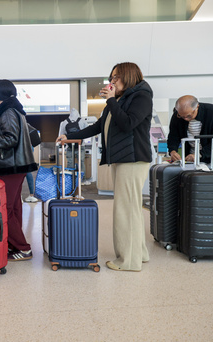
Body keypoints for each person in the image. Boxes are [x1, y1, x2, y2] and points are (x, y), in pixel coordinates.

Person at [56, 62, 153, 272]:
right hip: (125, 159)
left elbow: (127, 123)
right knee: (131, 208)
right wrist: (70, 136)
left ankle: (128, 261)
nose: (112, 82)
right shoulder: (120, 100)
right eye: (111, 77)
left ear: (129, 77)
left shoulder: (141, 97)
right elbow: (99, 126)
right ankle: (139, 253)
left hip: (133, 159)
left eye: (116, 77)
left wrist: (110, 101)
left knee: (125, 210)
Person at [0, 79, 38, 261]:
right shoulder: (14, 109)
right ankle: (13, 244)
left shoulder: (7, 111)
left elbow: (10, 139)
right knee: (14, 207)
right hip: (15, 165)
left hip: (9, 166)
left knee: (4, 208)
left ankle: (23, 248)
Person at [167, 95, 213, 170]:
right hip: (191, 158)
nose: (186, 119)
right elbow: (173, 136)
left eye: (189, 116)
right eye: (182, 116)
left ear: (197, 107)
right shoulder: (177, 115)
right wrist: (173, 151)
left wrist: (199, 154)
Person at [58, 108, 90, 185]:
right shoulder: (82, 121)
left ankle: (70, 180)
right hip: (80, 145)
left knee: (70, 162)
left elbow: (61, 135)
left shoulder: (65, 122)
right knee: (81, 163)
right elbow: (88, 132)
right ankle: (82, 180)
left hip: (69, 146)